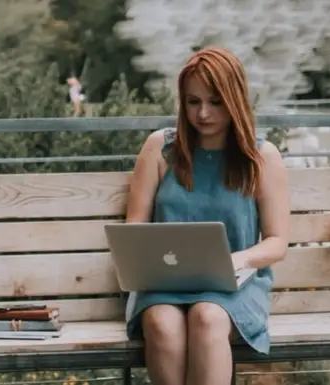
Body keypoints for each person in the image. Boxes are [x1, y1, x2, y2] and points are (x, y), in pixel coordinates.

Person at [124, 46, 290, 384]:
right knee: (161, 324)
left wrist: (238, 259)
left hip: (232, 288)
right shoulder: (160, 148)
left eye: (215, 102)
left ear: (235, 99)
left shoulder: (262, 157)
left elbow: (277, 242)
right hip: (164, 285)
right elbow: (134, 227)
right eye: (192, 101)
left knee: (207, 317)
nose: (202, 114)